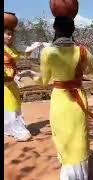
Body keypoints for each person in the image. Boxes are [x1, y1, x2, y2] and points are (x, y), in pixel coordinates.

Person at [34, 16, 93, 179]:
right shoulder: (82, 51)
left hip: (60, 100)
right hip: (78, 99)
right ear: (73, 30)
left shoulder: (48, 52)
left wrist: (31, 74)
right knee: (79, 136)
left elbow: (43, 81)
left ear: (55, 29)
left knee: (63, 137)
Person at [4, 12, 42, 142]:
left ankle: (11, 128)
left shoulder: (13, 48)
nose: (10, 36)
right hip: (5, 83)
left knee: (16, 105)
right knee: (11, 105)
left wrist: (36, 45)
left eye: (11, 34)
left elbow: (26, 50)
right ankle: (18, 131)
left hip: (12, 81)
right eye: (7, 34)